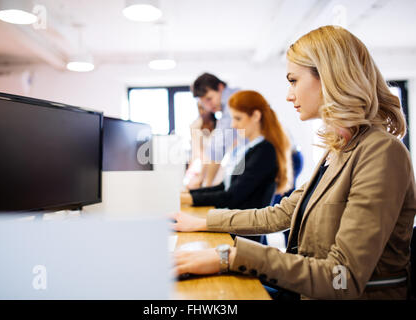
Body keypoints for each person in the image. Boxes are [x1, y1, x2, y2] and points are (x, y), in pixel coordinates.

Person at [172, 25, 416, 300]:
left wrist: (231, 256)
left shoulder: (381, 152)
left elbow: (341, 278)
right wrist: (204, 222)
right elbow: (279, 214)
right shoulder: (339, 149)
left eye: (293, 81)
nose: (289, 96)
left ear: (329, 77)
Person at [181, 90, 292, 211]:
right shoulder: (247, 148)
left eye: (238, 119)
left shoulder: (265, 151)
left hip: (245, 226)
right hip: (235, 219)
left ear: (255, 116)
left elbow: (231, 196)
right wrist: (189, 193)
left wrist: (187, 198)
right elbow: (224, 187)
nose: (233, 125)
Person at [190, 73, 240, 188]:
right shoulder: (226, 107)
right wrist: (202, 179)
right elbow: (214, 147)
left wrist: (205, 186)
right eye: (204, 102)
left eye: (209, 98)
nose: (208, 105)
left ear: (220, 87)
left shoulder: (233, 101)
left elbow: (218, 147)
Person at [184, 102, 217, 189]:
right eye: (199, 108)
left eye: (203, 108)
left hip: (214, 163)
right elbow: (196, 152)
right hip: (200, 162)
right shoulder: (195, 126)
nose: (201, 111)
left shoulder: (219, 125)